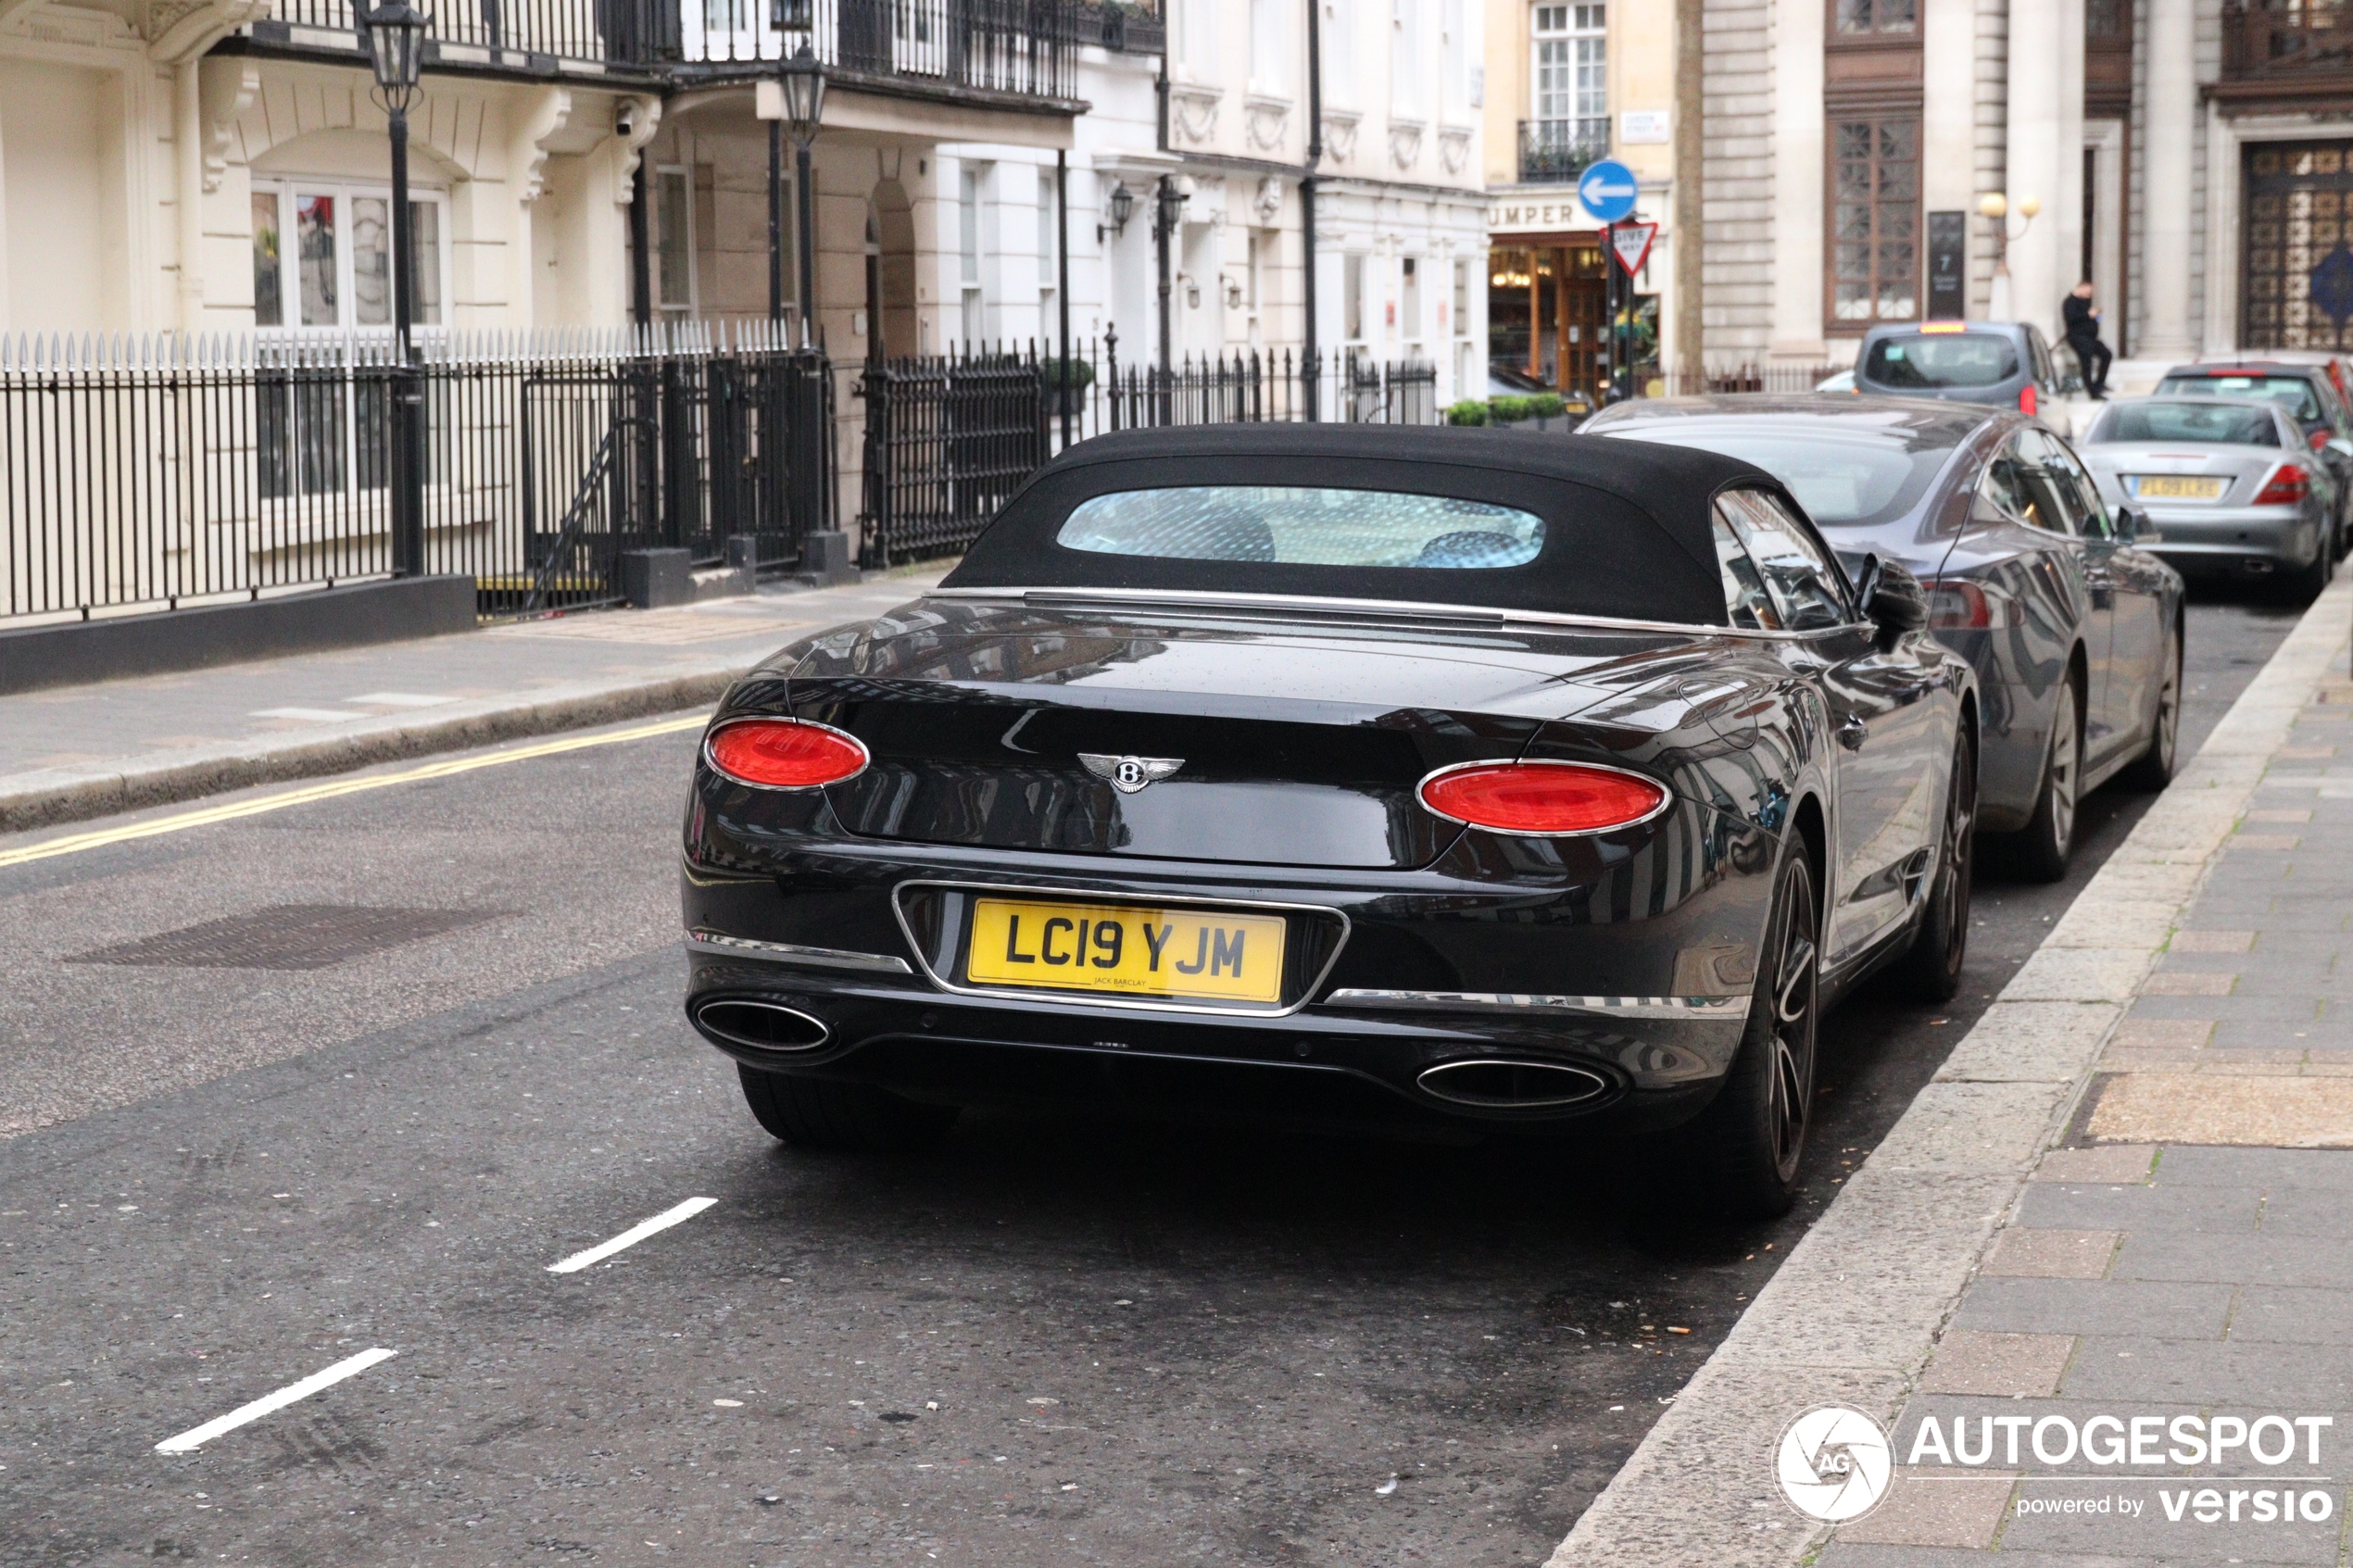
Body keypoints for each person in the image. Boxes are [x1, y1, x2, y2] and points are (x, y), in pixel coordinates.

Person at [2063, 282, 2111, 400]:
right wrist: (2088, 315)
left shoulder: (2085, 302)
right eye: (2087, 291)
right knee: (2086, 363)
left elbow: (2091, 317)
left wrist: (2096, 316)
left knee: (2107, 354)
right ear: (2081, 288)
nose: (2088, 295)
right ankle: (2092, 392)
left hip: (2090, 338)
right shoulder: (2069, 302)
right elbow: (2072, 318)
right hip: (2078, 338)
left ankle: (2099, 384)